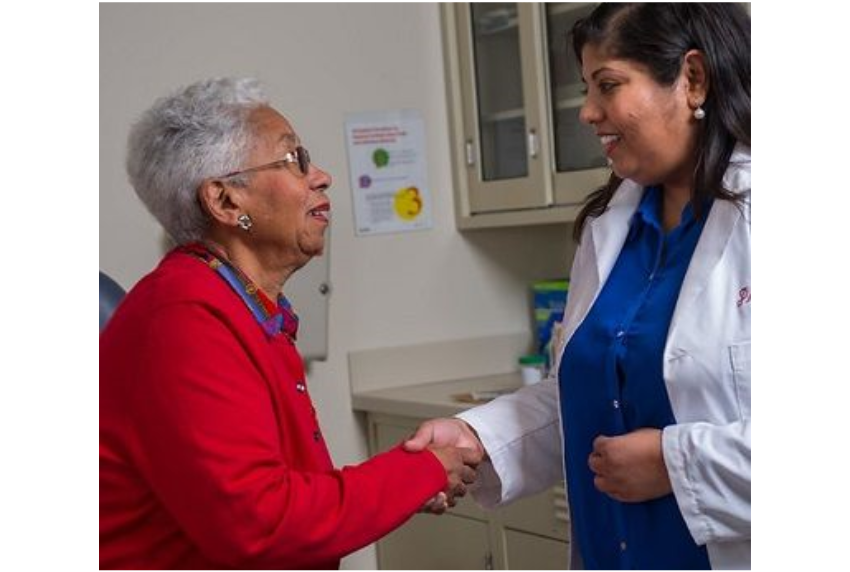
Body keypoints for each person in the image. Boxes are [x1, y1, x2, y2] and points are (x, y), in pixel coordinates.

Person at [405, 4, 750, 569]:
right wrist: (477, 436)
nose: (588, 112)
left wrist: (674, 463)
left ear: (692, 79)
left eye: (608, 85)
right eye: (587, 89)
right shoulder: (610, 229)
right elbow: (592, 394)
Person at [99, 77, 481, 569]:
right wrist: (424, 471)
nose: (320, 176)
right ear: (225, 202)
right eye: (293, 160)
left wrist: (403, 483)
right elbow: (265, 525)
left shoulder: (245, 307)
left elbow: (283, 491)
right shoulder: (185, 320)